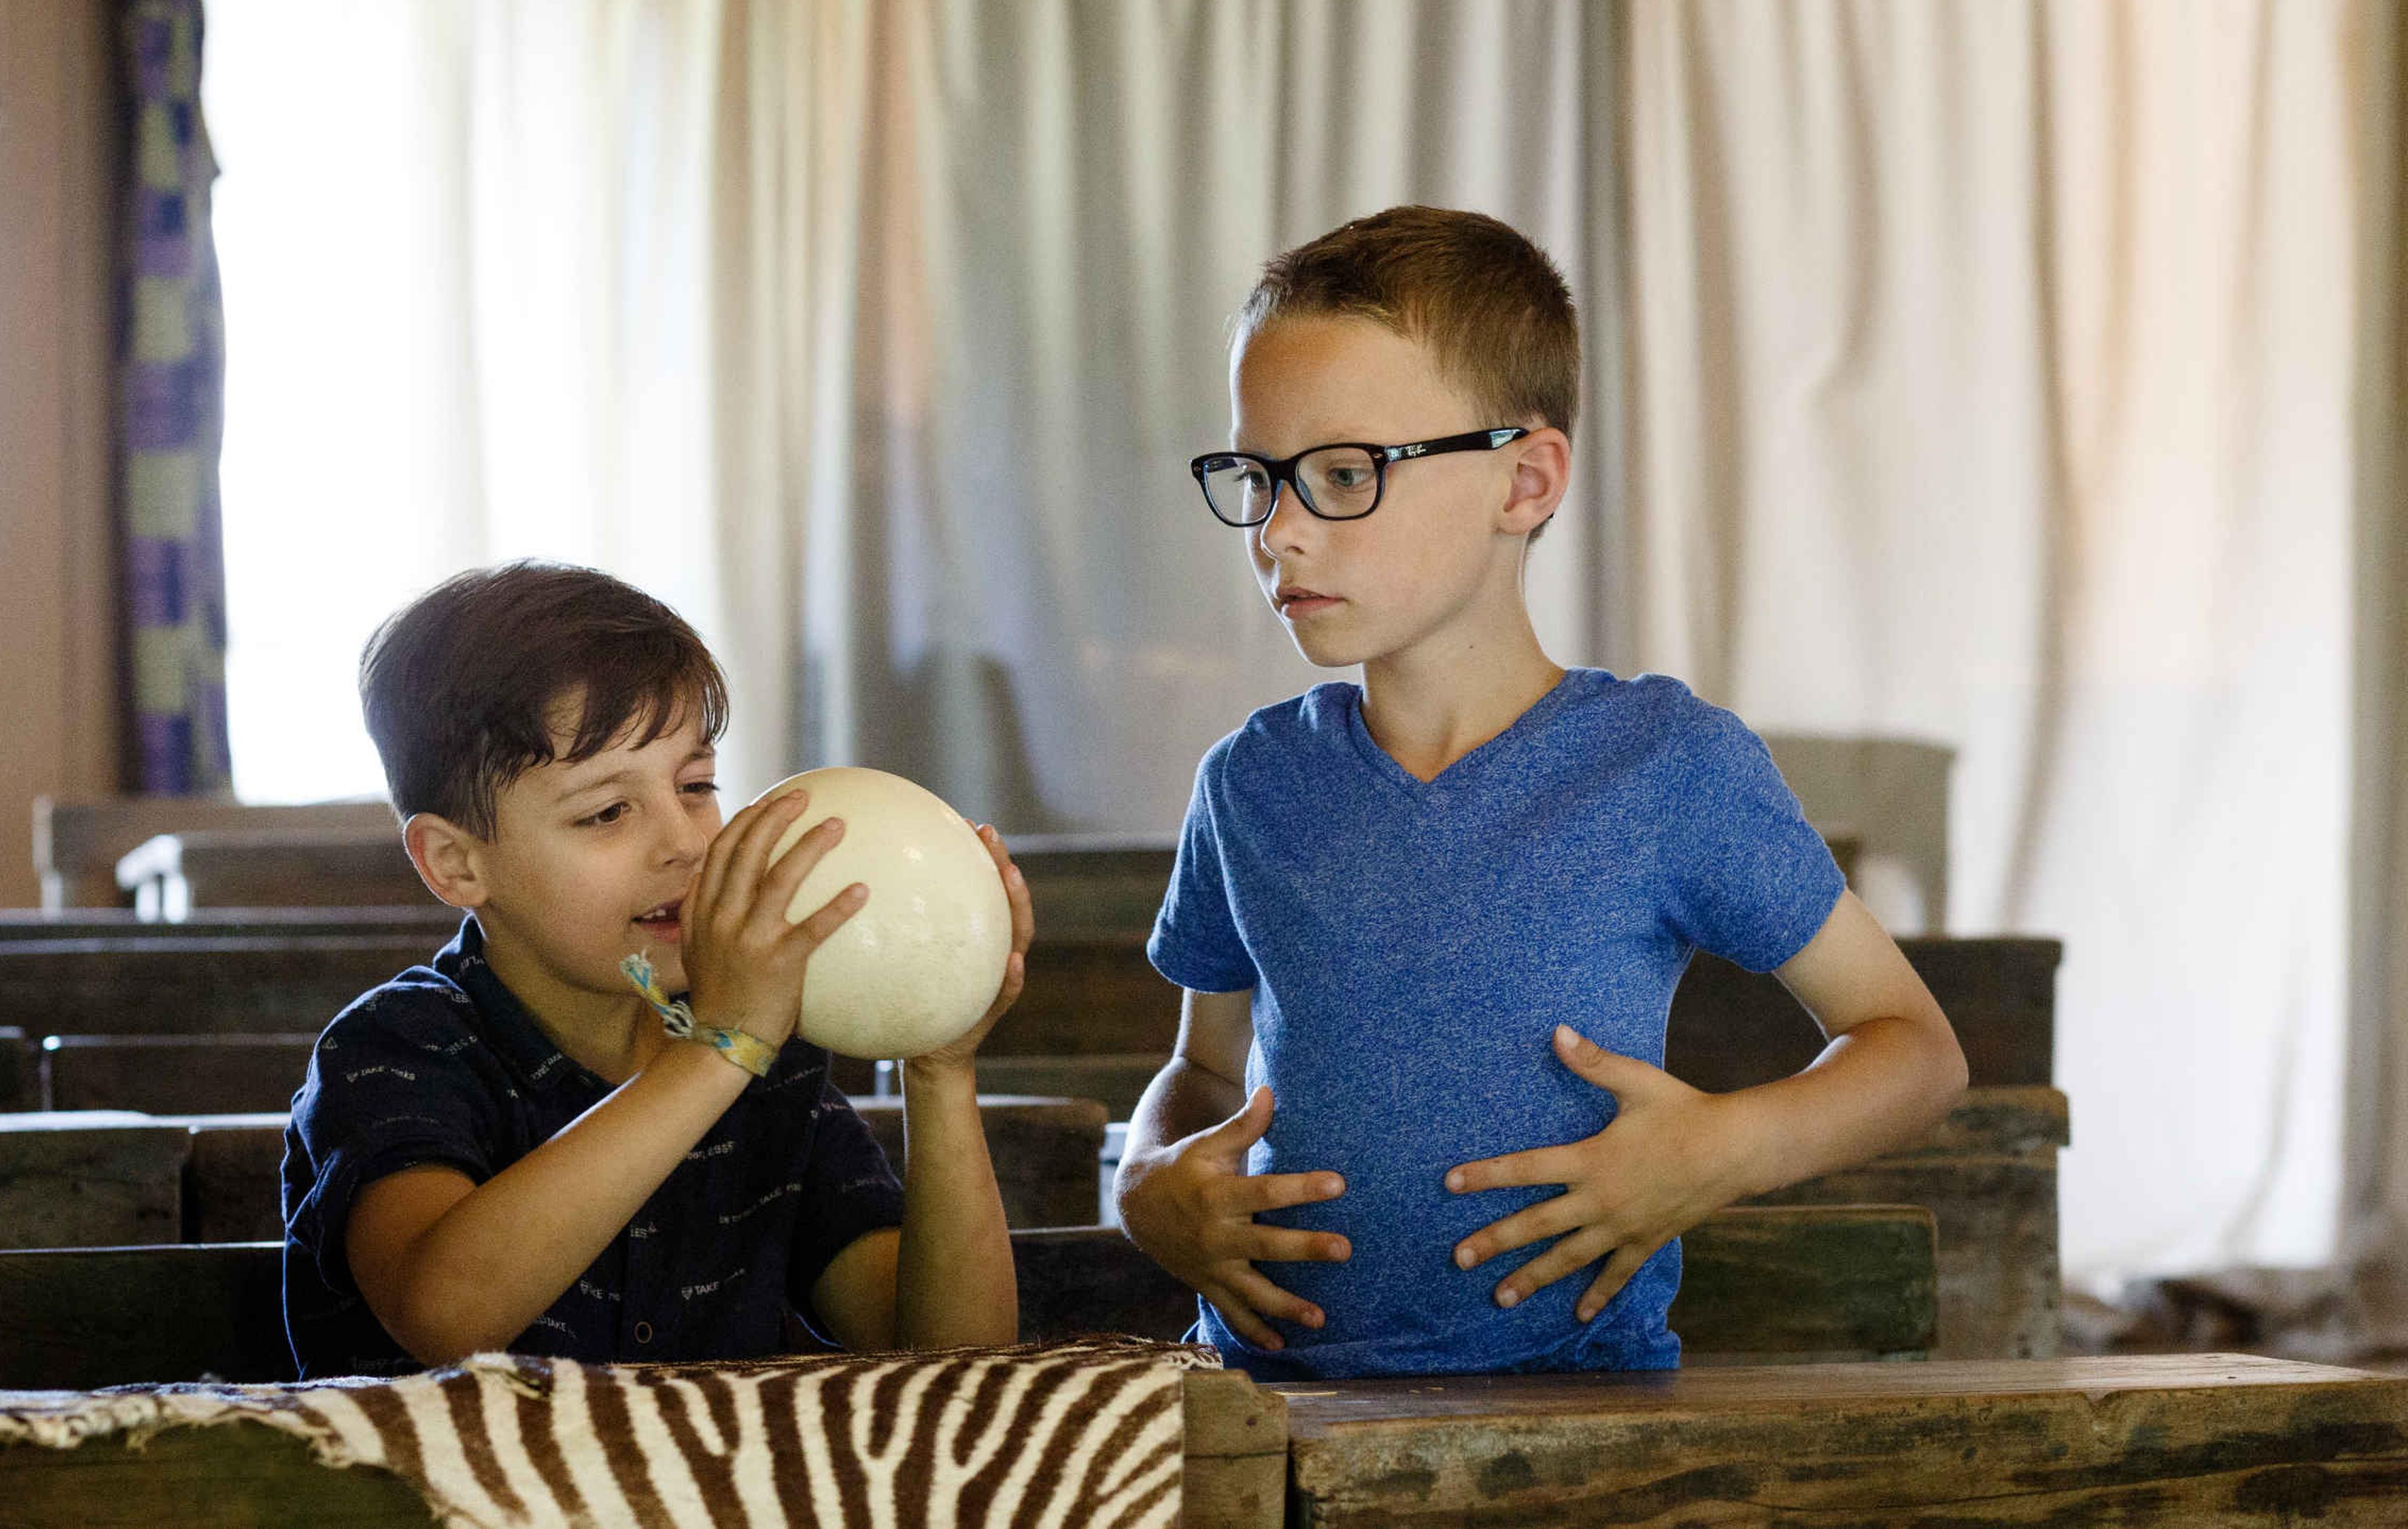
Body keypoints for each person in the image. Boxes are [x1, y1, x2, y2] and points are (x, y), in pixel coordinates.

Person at [1113, 206, 1969, 1377]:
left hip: (1575, 1434)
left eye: (1345, 474)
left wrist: (1726, 1147)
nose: (1283, 533)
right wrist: (1147, 1179)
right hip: (1263, 1422)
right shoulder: (1249, 785)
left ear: (1525, 480)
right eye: (1258, 478)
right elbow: (1203, 1073)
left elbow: (1917, 1051)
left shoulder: (1666, 768)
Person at [282, 561, 1031, 1377]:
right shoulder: (398, 1048)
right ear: (457, 864)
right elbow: (446, 1310)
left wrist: (939, 1063)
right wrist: (720, 1047)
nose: (684, 840)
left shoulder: (768, 1063)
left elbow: (952, 1360)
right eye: (607, 811)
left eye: (697, 785)